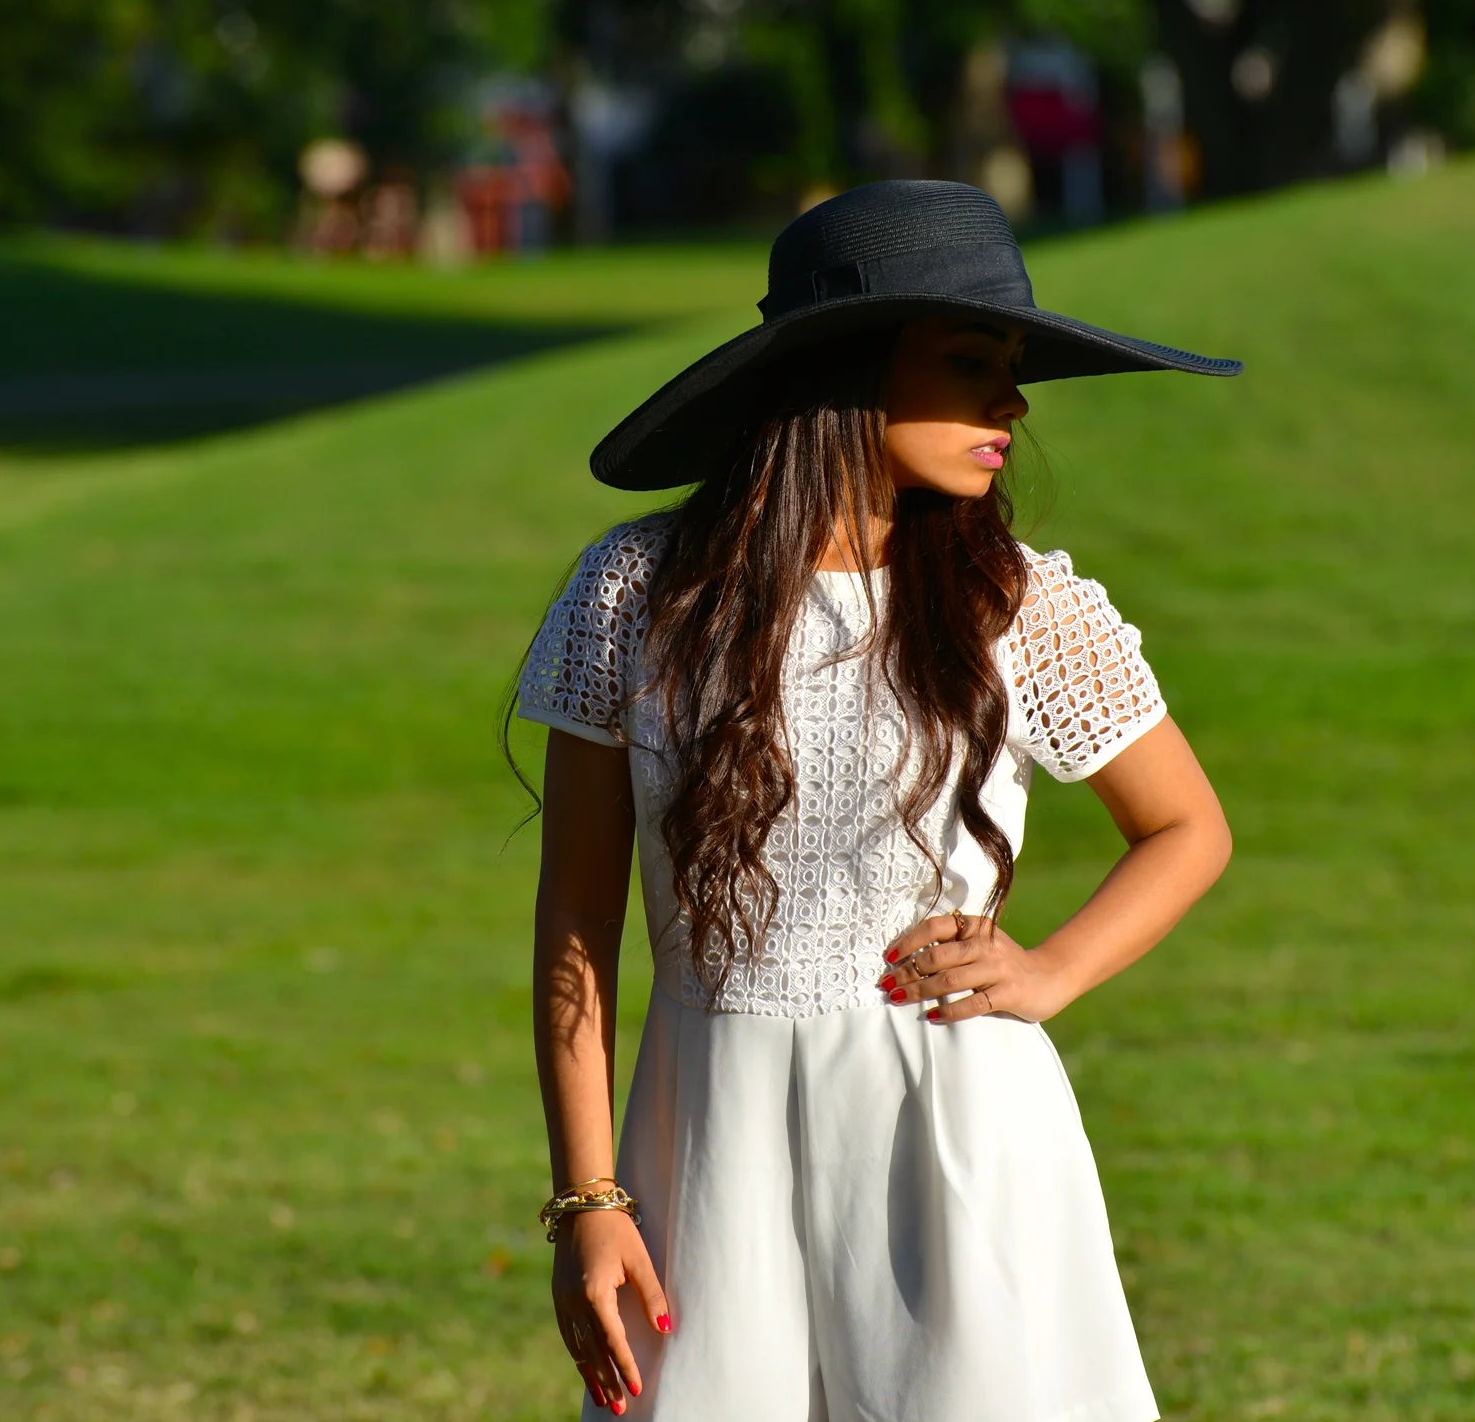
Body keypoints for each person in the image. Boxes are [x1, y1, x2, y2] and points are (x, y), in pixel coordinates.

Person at [516, 180, 1243, 1421]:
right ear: (849, 370)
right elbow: (576, 920)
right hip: (707, 1141)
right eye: (971, 361)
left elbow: (1187, 827)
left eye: (1012, 368)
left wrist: (1052, 972)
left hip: (956, 1134)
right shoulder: (639, 593)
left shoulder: (1019, 603)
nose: (1012, 402)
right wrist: (589, 1198)